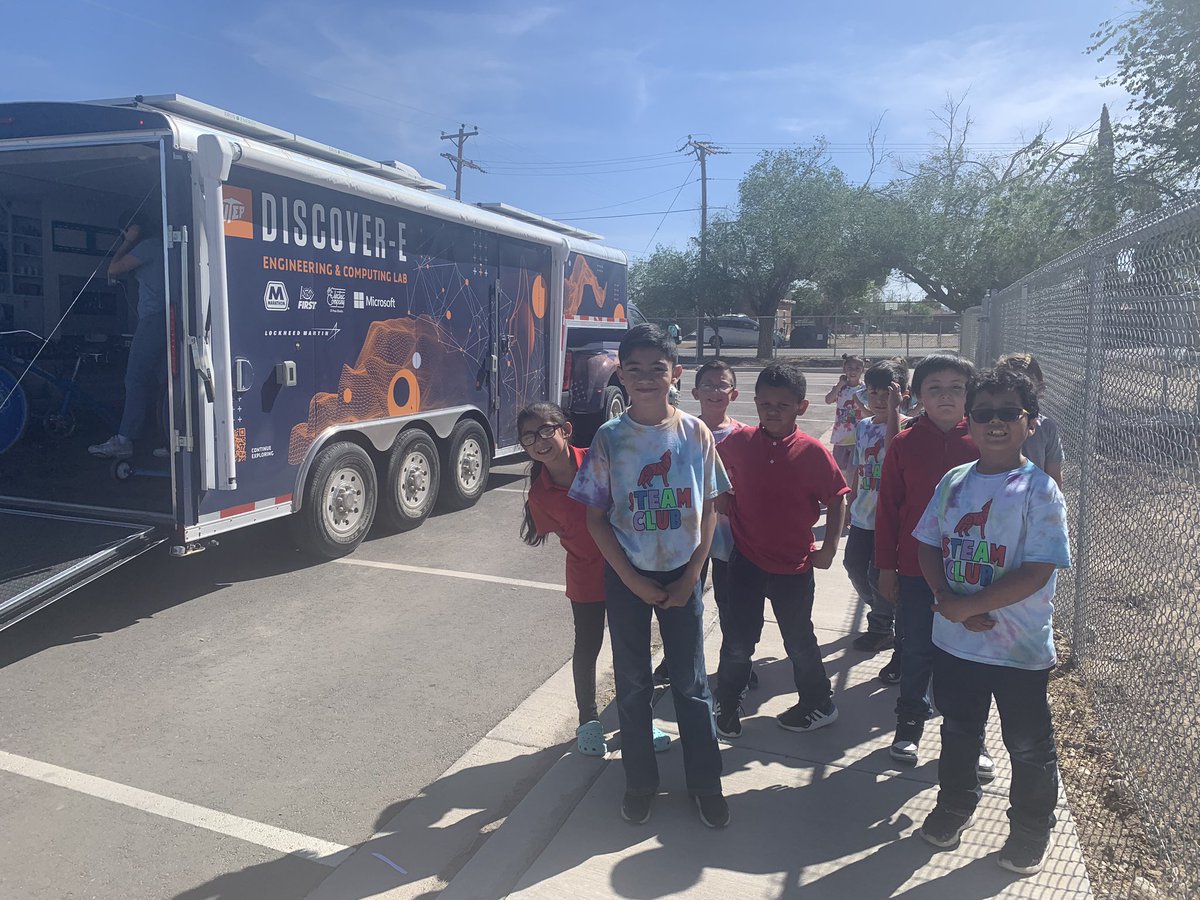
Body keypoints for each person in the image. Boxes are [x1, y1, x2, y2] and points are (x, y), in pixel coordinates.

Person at [569, 323, 730, 828]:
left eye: (656, 369)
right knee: (634, 682)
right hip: (627, 576)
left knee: (691, 681)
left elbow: (709, 508)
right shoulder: (610, 438)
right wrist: (632, 580)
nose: (644, 378)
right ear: (620, 373)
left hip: (684, 572)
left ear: (675, 374)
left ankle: (705, 783)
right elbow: (596, 517)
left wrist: (691, 578)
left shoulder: (694, 432)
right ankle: (640, 782)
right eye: (633, 369)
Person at [914, 366, 1070, 876]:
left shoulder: (1039, 490)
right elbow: (929, 544)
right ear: (970, 422)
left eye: (1009, 413)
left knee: (1026, 743)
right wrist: (944, 597)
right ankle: (955, 804)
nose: (996, 422)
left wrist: (971, 606)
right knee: (959, 729)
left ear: (1031, 423)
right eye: (985, 414)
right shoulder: (954, 482)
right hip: (956, 642)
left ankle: (1029, 828)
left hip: (1017, 650)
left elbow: (1039, 568)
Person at [518, 401, 671, 757]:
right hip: (585, 577)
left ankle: (638, 718)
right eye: (529, 437)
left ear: (565, 430)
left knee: (630, 648)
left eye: (545, 430)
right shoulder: (540, 495)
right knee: (587, 647)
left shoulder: (599, 458)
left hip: (630, 571)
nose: (539, 441)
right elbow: (549, 529)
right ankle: (588, 722)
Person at [713, 362, 848, 738]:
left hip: (793, 566)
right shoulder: (737, 443)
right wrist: (722, 494)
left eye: (783, 405)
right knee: (739, 639)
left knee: (799, 639)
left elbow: (838, 500)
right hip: (745, 562)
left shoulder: (812, 452)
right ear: (755, 403)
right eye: (766, 404)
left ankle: (819, 703)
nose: (773, 411)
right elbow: (716, 471)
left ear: (800, 408)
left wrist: (829, 548)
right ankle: (726, 700)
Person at [875, 352, 994, 780]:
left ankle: (971, 735)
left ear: (970, 394)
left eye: (956, 388)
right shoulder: (904, 444)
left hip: (973, 570)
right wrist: (886, 568)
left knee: (969, 657)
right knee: (917, 648)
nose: (946, 397)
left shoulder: (984, 441)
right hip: (915, 569)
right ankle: (909, 724)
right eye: (935, 389)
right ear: (917, 396)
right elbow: (888, 509)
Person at [654, 361, 760, 691]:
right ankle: (676, 659)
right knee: (685, 598)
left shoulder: (746, 437)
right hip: (688, 535)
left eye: (722, 385)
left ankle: (739, 661)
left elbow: (755, 487)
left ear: (734, 393)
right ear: (695, 392)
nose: (716, 392)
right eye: (709, 385)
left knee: (731, 603)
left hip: (731, 536)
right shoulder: (680, 433)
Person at [88, 209, 167, 460]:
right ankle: (171, 439)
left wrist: (127, 241)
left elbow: (113, 269)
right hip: (172, 320)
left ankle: (124, 440)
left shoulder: (146, 247)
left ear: (133, 228)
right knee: (168, 383)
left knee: (134, 379)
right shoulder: (166, 246)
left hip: (153, 320)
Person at [844, 360, 909, 663]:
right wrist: (850, 499)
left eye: (888, 393)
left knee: (877, 573)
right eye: (873, 393)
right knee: (854, 566)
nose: (879, 400)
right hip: (863, 514)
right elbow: (858, 465)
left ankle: (882, 626)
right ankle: (889, 610)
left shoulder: (908, 426)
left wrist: (895, 412)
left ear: (902, 395)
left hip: (890, 519)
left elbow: (894, 449)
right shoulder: (863, 426)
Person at [997, 353, 1063, 487]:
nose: (1020, 391)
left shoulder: (1046, 427)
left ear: (1040, 387)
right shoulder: (989, 422)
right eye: (1012, 384)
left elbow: (1054, 477)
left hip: (1034, 499)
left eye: (1028, 384)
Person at [824, 354, 866, 483]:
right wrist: (839, 385)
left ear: (862, 371)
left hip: (857, 435)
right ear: (844, 369)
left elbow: (869, 410)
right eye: (850, 368)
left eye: (857, 368)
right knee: (838, 467)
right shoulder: (841, 387)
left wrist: (858, 402)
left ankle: (850, 496)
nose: (853, 371)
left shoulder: (864, 389)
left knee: (852, 469)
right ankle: (840, 492)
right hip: (841, 435)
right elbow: (828, 400)